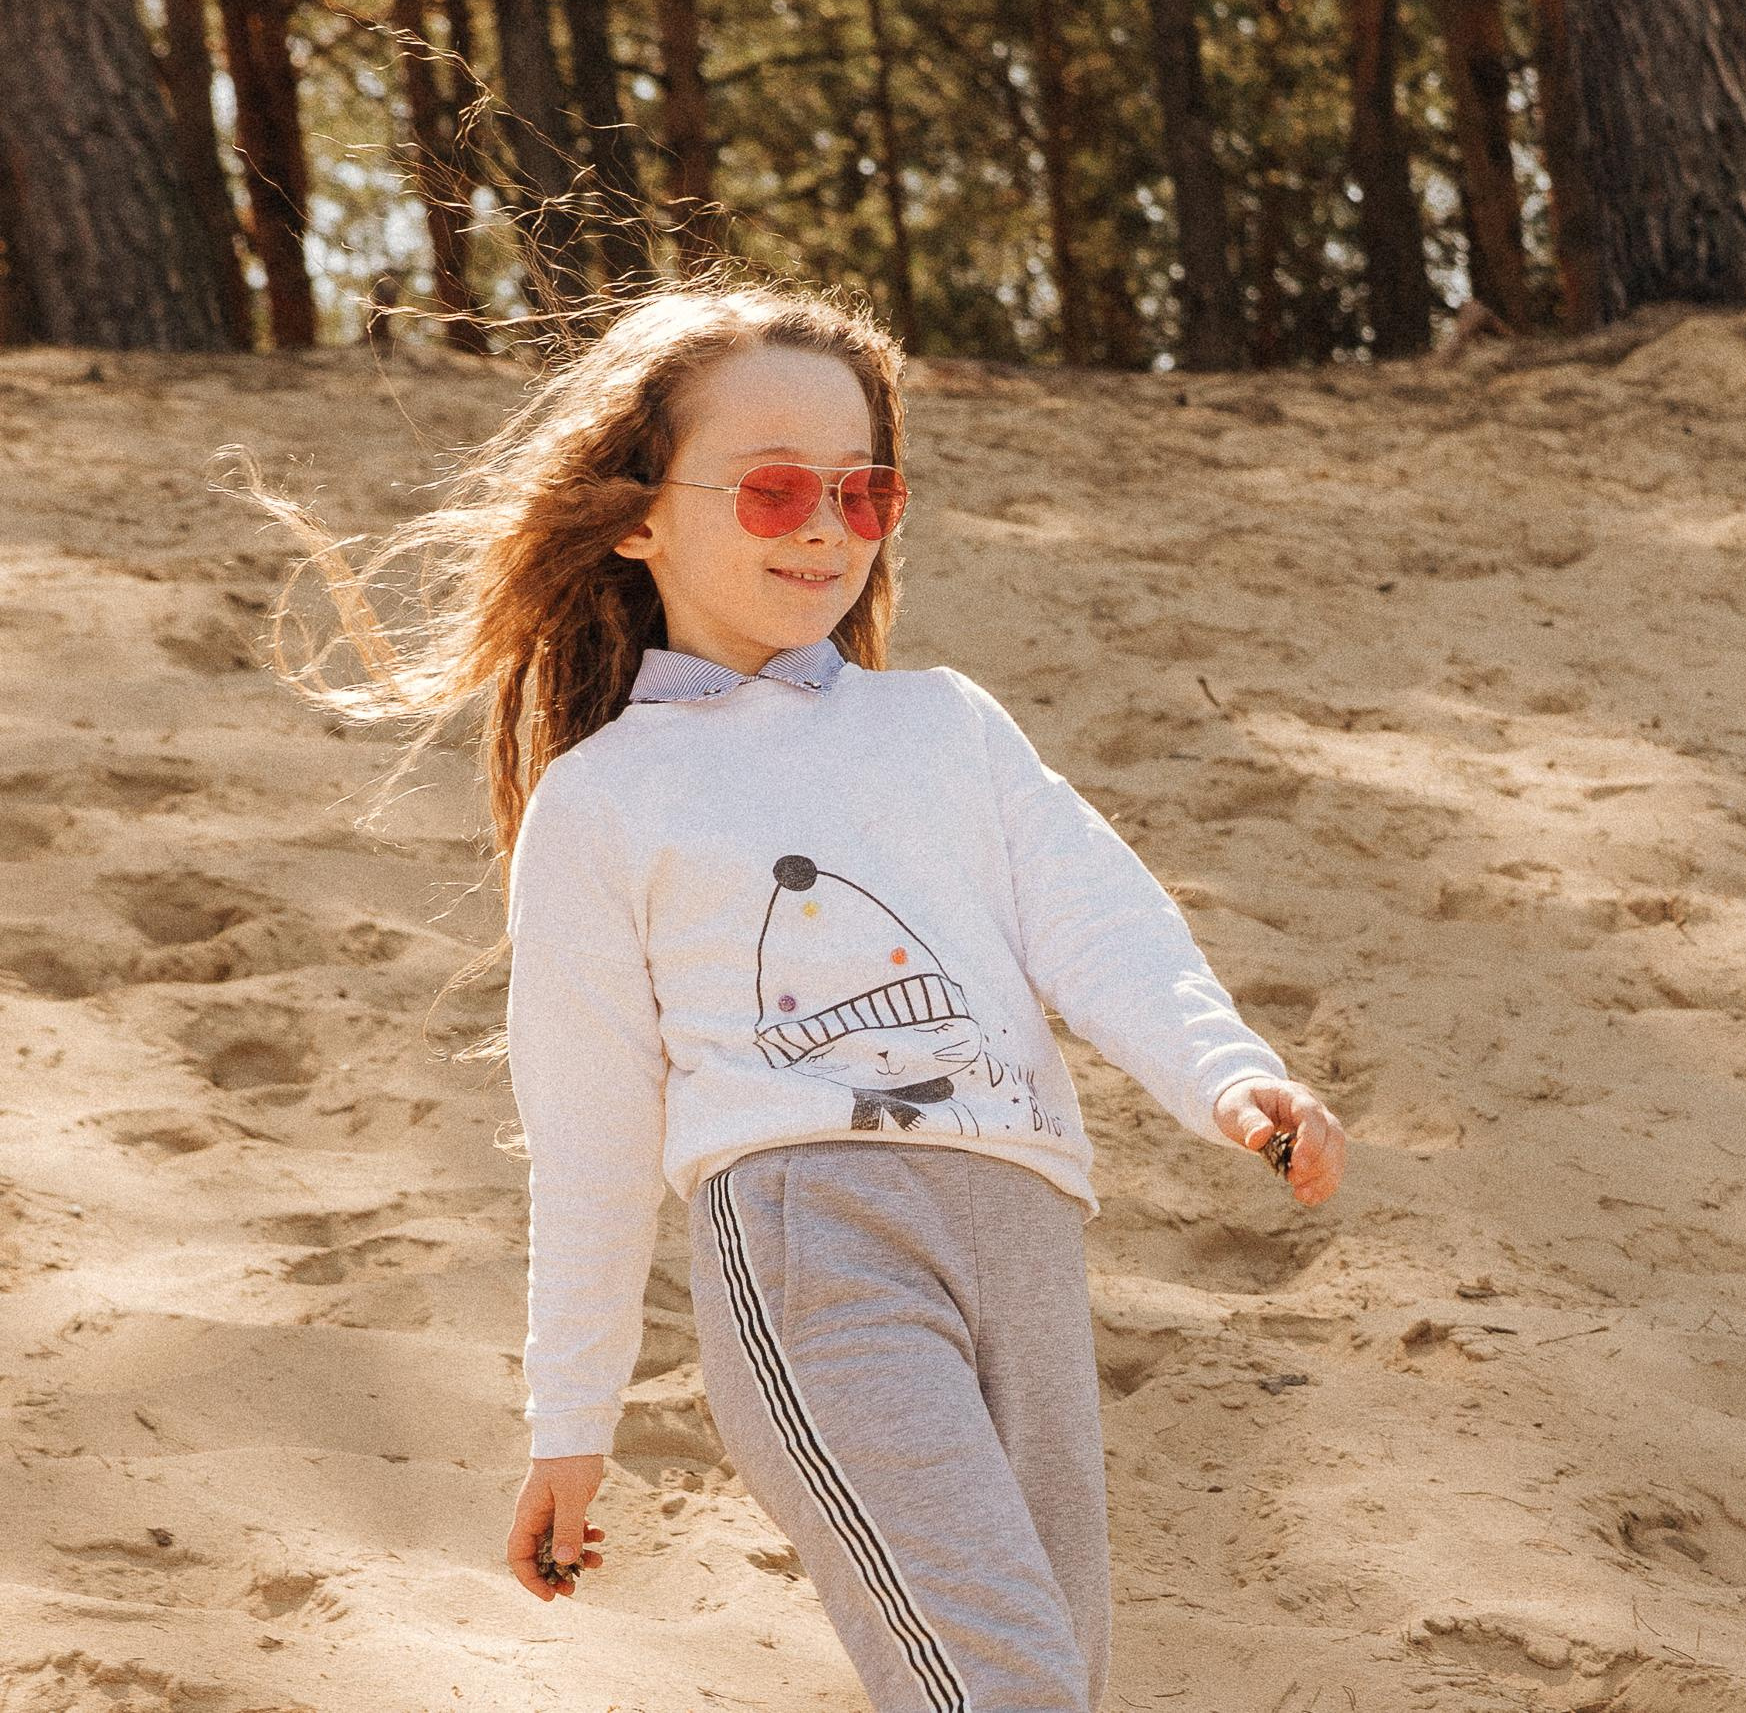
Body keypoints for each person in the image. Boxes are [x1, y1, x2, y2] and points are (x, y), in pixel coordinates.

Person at [230, 276, 1344, 1713]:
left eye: (862, 491)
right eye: (769, 492)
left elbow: (1099, 919)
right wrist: (571, 1422)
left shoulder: (944, 725)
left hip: (1025, 1232)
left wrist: (1223, 1073)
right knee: (1000, 1679)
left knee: (1052, 1668)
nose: (824, 528)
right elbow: (588, 1136)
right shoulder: (605, 798)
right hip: (819, 1252)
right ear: (637, 517)